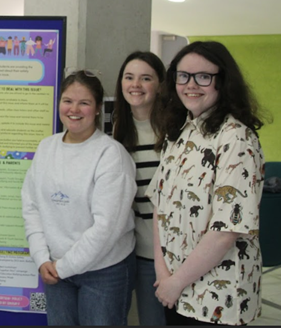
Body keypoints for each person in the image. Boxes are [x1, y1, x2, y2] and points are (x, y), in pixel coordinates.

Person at [146, 41, 265, 325]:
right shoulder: (179, 133)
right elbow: (159, 207)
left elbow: (227, 231)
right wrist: (163, 276)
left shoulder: (236, 138)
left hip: (215, 299)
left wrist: (175, 283)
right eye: (183, 75)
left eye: (203, 77)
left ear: (222, 81)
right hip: (174, 291)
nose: (191, 85)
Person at [22, 70, 137, 325]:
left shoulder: (110, 155)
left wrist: (62, 268)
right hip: (55, 269)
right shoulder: (46, 147)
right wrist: (42, 258)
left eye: (84, 102)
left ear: (97, 109)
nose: (74, 109)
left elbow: (106, 227)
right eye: (68, 101)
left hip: (104, 271)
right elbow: (31, 207)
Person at [112, 51, 167, 326]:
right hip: (134, 253)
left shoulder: (177, 130)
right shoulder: (116, 131)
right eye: (129, 77)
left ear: (160, 85)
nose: (136, 85)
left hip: (174, 253)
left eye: (146, 78)